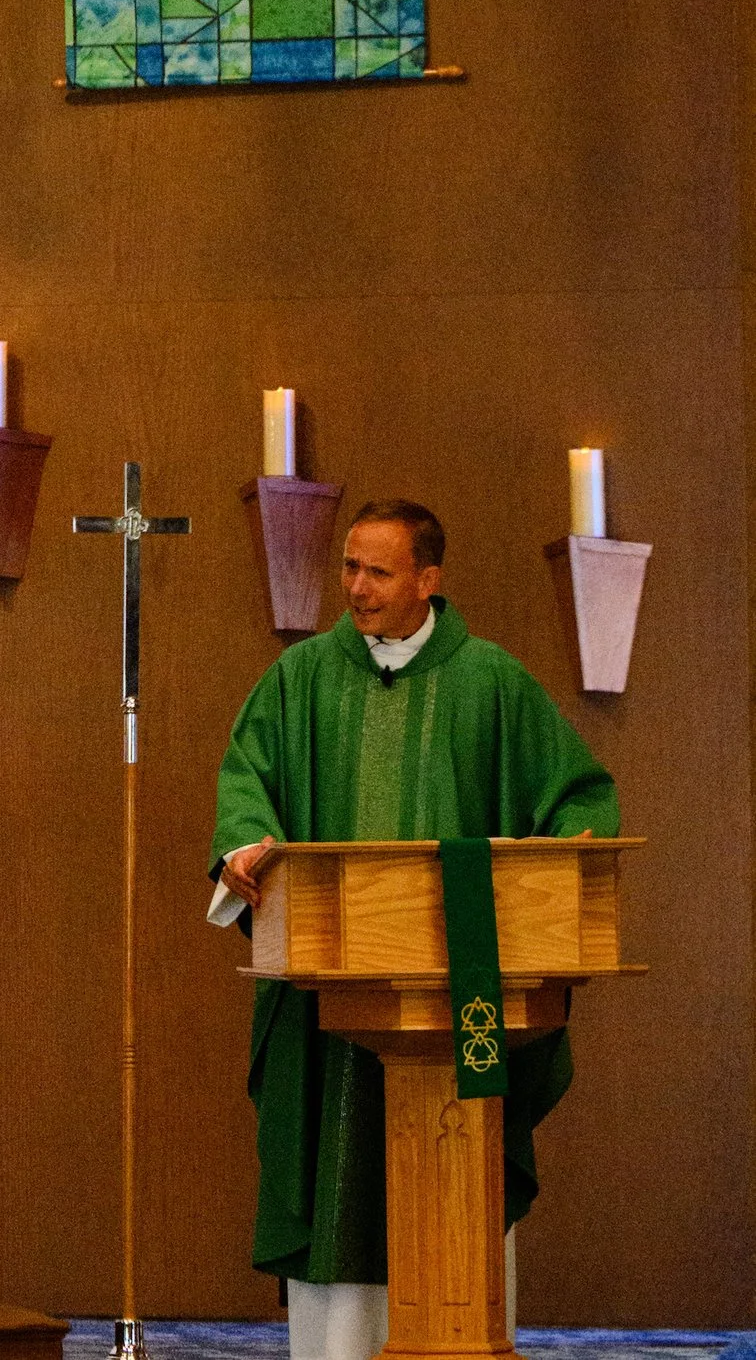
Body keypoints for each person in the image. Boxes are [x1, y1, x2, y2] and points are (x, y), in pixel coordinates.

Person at [210, 498, 616, 1360]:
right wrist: (244, 846)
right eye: (349, 566)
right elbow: (248, 785)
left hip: (458, 996)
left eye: (378, 572)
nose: (356, 587)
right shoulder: (300, 679)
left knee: (460, 1158)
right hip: (331, 1003)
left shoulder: (491, 682)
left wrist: (569, 846)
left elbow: (580, 795)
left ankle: (461, 1333)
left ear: (428, 579)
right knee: (335, 1173)